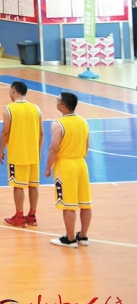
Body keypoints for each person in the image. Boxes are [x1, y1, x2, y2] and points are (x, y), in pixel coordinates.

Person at [47, 92, 91, 248]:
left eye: (58, 100)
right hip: (81, 164)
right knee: (85, 203)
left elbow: (54, 149)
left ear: (63, 106)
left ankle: (70, 239)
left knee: (69, 204)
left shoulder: (58, 124)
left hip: (66, 165)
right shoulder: (84, 122)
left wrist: (48, 167)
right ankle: (83, 236)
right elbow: (86, 146)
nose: (56, 102)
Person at [0, 80, 43, 227]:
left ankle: (19, 217)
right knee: (33, 185)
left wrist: (1, 150)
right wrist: (38, 151)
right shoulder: (36, 108)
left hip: (17, 154)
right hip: (33, 154)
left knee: (18, 186)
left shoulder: (9, 109)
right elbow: (41, 133)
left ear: (13, 91)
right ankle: (32, 215)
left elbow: (5, 132)